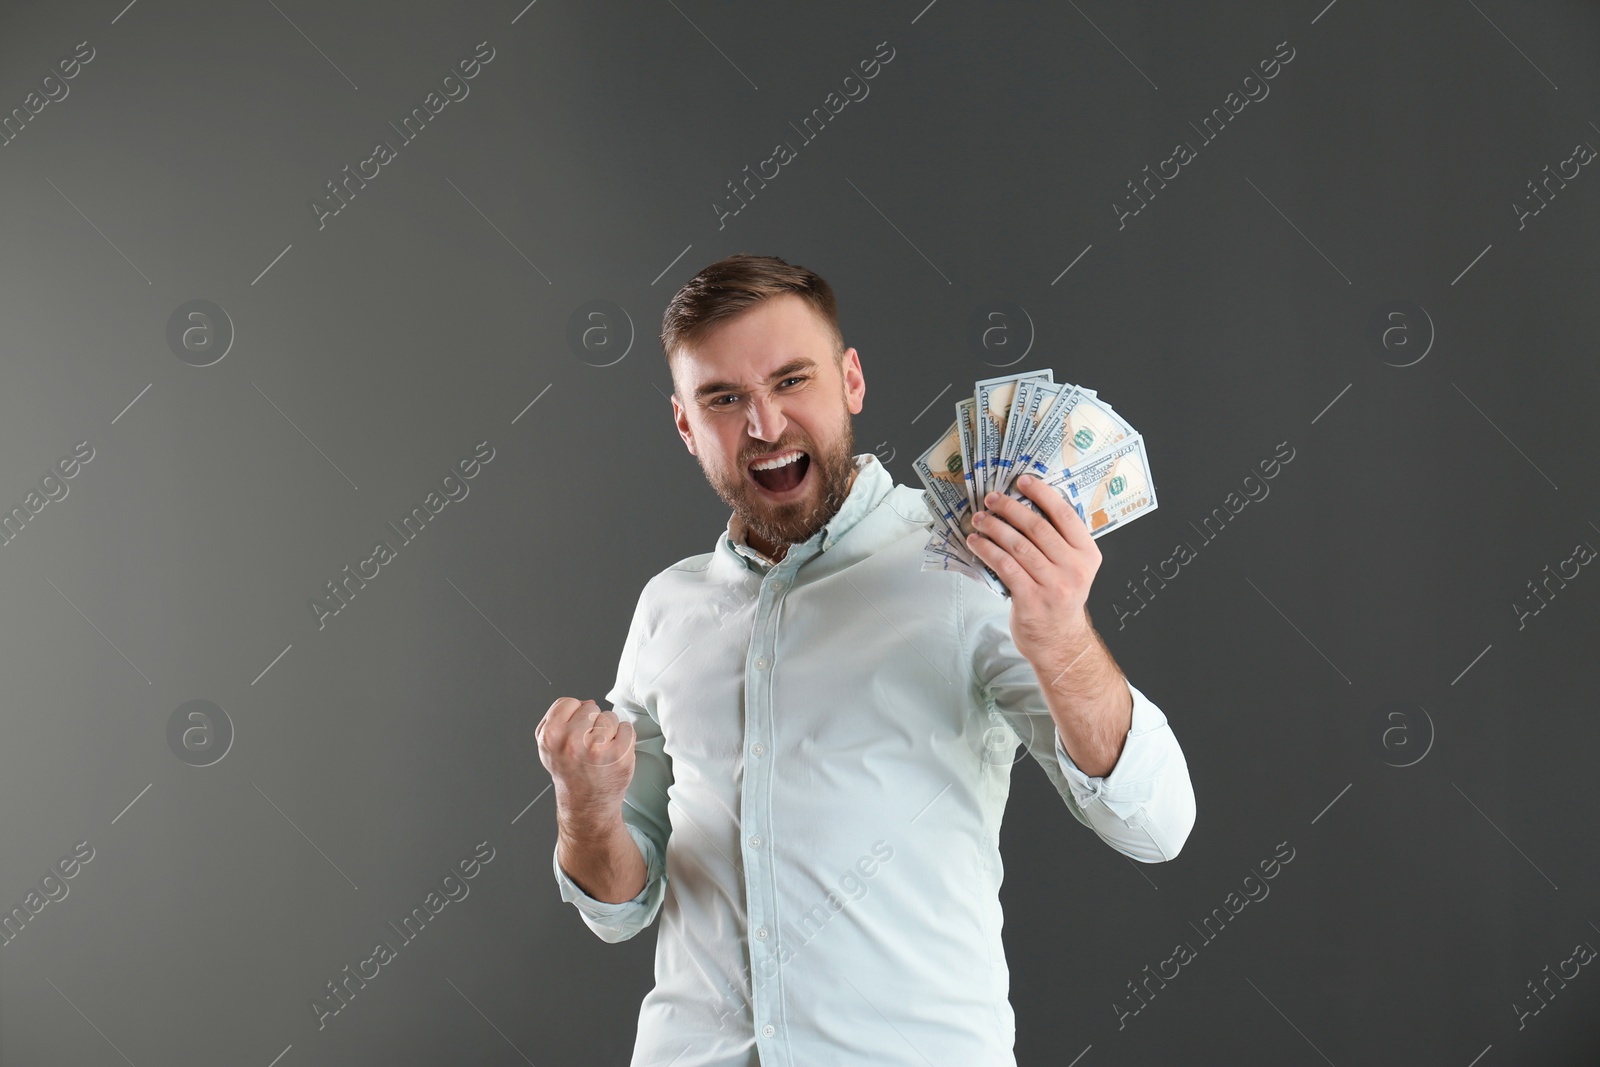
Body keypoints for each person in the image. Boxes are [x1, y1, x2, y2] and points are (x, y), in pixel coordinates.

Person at [536, 253, 1196, 1066]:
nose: (766, 425)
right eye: (725, 399)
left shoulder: (970, 564)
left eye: (791, 381)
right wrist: (585, 809)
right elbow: (618, 907)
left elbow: (1156, 824)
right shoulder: (667, 607)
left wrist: (1062, 636)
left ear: (851, 381)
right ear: (685, 425)